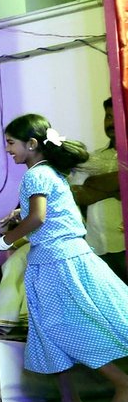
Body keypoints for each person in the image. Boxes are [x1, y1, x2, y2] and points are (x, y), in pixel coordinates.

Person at [0, 114, 128, 402]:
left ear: (32, 144)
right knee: (49, 332)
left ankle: (121, 382)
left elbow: (38, 218)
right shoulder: (51, 172)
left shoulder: (35, 176)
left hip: (59, 262)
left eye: (11, 143)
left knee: (67, 328)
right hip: (56, 259)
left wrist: (0, 243)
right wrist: (20, 214)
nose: (8, 149)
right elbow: (46, 213)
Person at [71, 98, 125, 282]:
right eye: (108, 116)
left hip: (123, 245)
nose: (111, 122)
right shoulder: (92, 158)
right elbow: (78, 194)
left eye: (117, 116)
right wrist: (117, 188)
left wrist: (93, 183)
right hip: (98, 246)